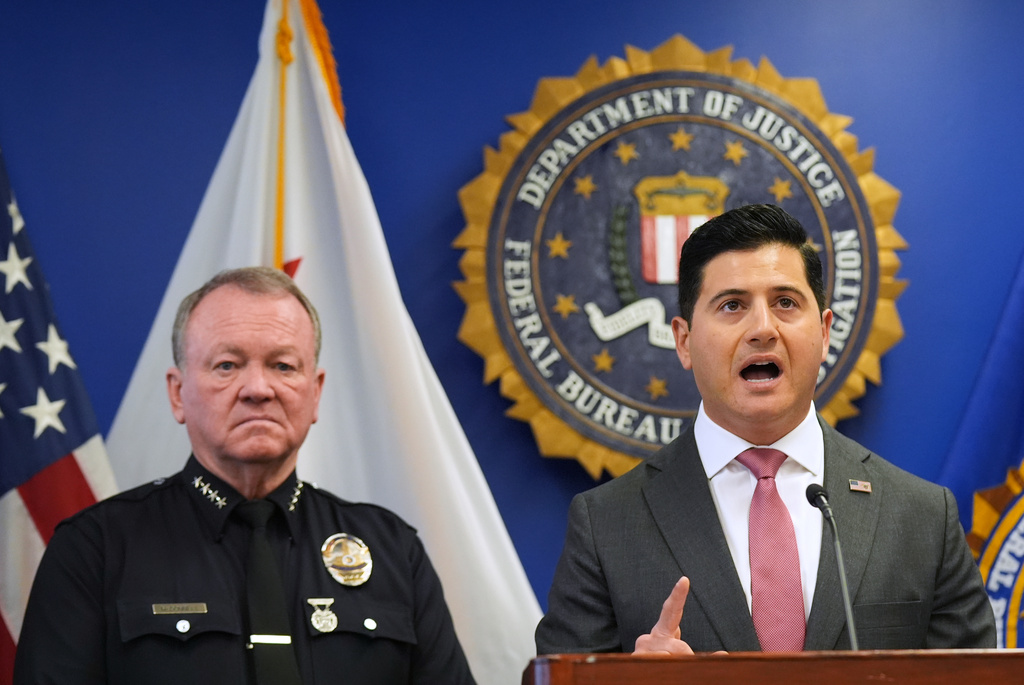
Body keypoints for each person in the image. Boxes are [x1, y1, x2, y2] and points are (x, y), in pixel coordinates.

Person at [535, 204, 996, 654]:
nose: (762, 328)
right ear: (684, 340)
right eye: (732, 305)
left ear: (824, 332)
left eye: (786, 303)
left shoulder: (922, 519)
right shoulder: (607, 526)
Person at [14, 266, 476, 684]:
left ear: (314, 394)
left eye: (283, 365)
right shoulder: (95, 551)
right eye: (227, 366)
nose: (258, 389)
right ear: (178, 395)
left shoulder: (394, 551)